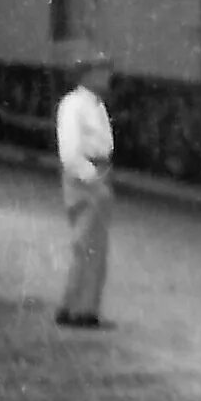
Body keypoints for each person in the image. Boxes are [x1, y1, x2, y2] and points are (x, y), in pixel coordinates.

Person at [54, 54, 116, 327]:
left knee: (91, 247)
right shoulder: (74, 105)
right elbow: (70, 153)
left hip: (97, 173)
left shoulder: (94, 104)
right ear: (86, 75)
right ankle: (82, 313)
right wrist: (94, 180)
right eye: (102, 71)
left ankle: (75, 307)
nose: (108, 76)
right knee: (89, 247)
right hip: (87, 177)